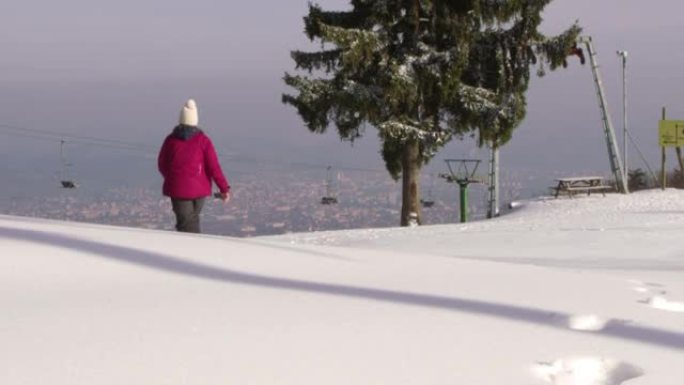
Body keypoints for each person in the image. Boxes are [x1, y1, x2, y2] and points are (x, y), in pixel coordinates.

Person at [158, 99, 230, 233]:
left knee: (186, 223)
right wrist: (224, 189)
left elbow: (162, 163)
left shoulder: (170, 140)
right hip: (199, 190)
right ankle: (193, 249)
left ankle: (190, 249)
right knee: (191, 220)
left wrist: (172, 177)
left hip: (178, 188)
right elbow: (214, 167)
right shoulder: (203, 141)